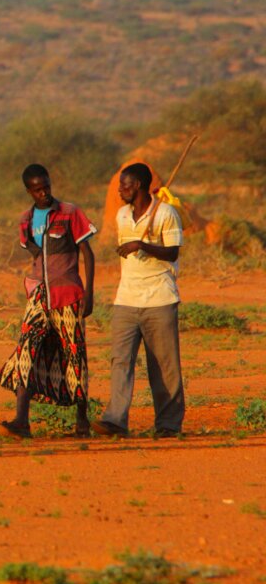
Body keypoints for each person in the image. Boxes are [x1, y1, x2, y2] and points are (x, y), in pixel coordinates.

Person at [0, 164, 97, 438]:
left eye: (47, 187)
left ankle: (82, 422)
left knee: (74, 354)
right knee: (25, 352)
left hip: (68, 294)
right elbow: (29, 247)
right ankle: (21, 421)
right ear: (28, 191)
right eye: (37, 190)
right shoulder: (25, 220)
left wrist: (89, 293)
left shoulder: (70, 213)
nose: (44, 193)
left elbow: (87, 253)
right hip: (39, 295)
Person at [93, 162, 184, 437]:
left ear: (140, 187)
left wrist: (142, 244)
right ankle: (116, 420)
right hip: (126, 298)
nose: (121, 190)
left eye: (126, 185)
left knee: (164, 365)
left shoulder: (166, 213)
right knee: (120, 360)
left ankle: (168, 425)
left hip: (160, 297)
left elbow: (173, 253)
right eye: (120, 185)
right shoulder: (122, 215)